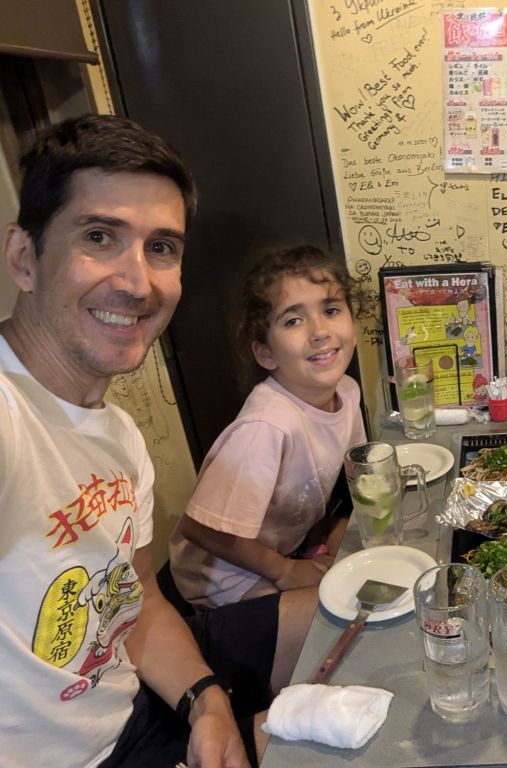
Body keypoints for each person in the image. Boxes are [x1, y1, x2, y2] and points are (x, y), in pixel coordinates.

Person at [0, 114, 310, 768]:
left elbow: (136, 592)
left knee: (363, 620)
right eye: (99, 237)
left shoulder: (117, 434)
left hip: (136, 692)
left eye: (161, 247)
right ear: (24, 258)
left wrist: (207, 701)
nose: (138, 283)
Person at [169, 245, 365, 607]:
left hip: (286, 548)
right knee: (340, 616)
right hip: (225, 577)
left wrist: (319, 540)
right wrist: (283, 570)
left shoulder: (348, 391)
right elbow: (199, 528)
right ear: (266, 353)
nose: (320, 331)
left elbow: (331, 476)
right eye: (293, 321)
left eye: (331, 310)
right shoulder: (268, 426)